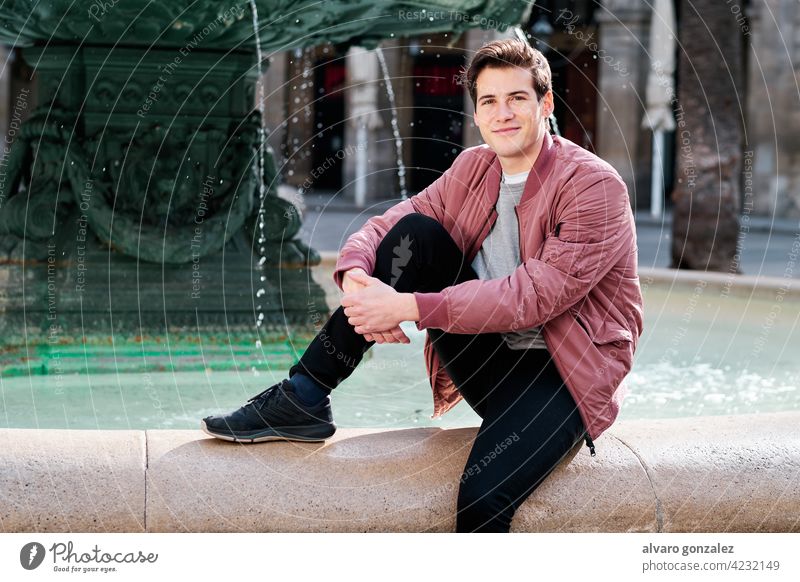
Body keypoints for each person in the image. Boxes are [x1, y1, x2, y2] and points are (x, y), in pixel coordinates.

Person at [202, 38, 643, 533]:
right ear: (476, 113)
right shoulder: (474, 168)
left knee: (482, 500)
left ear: (545, 104)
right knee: (416, 236)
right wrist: (355, 274)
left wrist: (407, 306)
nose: (503, 113)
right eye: (489, 101)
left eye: (517, 98)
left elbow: (533, 298)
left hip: (563, 377)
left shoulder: (592, 185)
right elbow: (397, 220)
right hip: (490, 360)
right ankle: (303, 394)